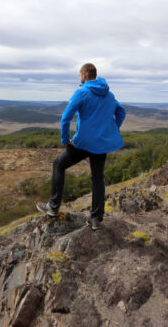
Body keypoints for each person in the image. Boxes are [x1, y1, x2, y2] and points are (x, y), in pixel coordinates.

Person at [37, 63, 126, 230]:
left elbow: (65, 118)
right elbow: (121, 113)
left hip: (83, 143)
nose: (79, 77)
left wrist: (65, 139)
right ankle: (95, 219)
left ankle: (53, 206)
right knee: (97, 178)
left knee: (58, 165)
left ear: (84, 75)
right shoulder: (109, 94)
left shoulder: (82, 92)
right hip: (101, 144)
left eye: (79, 74)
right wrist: (110, 130)